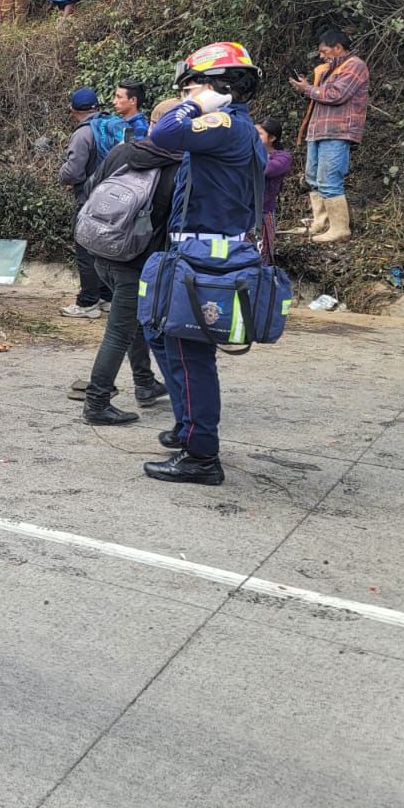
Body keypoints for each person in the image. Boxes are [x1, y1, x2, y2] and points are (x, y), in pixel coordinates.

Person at [143, 41, 266, 486]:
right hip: (192, 250)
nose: (184, 97)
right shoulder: (232, 129)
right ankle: (186, 425)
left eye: (191, 87)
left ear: (218, 86)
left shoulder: (226, 124)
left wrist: (198, 105)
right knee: (158, 332)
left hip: (205, 254)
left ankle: (201, 455)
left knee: (188, 352)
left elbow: (163, 134)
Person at [77, 97, 178, 425]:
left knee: (132, 319)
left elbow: (92, 188)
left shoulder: (123, 151)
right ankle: (96, 402)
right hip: (138, 261)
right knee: (119, 331)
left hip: (102, 250)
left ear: (151, 124)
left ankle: (145, 383)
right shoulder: (178, 166)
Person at [288, 27, 368, 243]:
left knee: (329, 179)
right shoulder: (329, 70)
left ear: (338, 48)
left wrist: (308, 89)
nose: (322, 56)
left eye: (324, 51)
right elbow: (322, 97)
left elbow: (336, 95)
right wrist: (308, 87)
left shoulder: (355, 66)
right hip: (319, 130)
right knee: (313, 178)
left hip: (337, 131)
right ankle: (321, 223)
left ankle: (340, 229)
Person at [58, 87, 110, 318]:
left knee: (85, 249)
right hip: (114, 198)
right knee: (104, 249)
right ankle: (106, 296)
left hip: (89, 199)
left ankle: (87, 301)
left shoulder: (83, 133)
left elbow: (73, 170)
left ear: (72, 110)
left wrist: (65, 178)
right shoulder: (110, 125)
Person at [256, 116, 292, 263]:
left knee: (261, 253)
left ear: (272, 138)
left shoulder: (283, 157)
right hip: (243, 212)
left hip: (264, 212)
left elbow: (268, 169)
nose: (254, 137)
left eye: (259, 134)